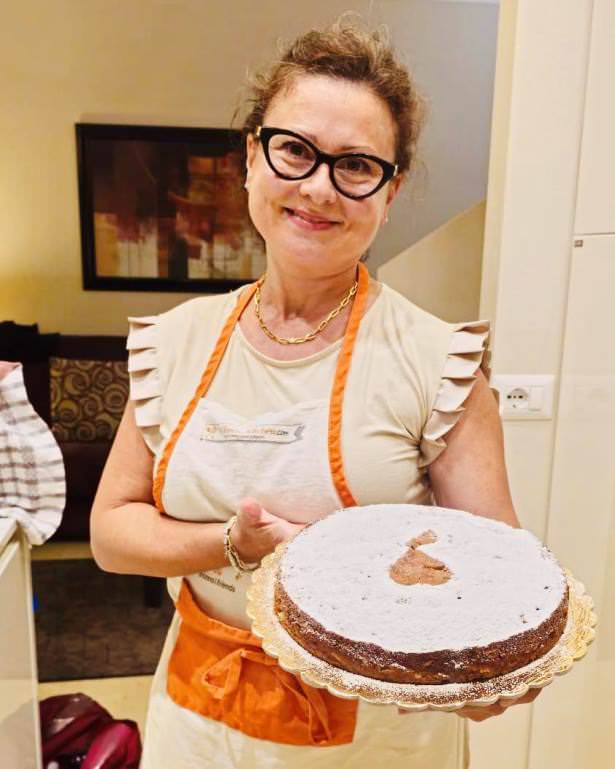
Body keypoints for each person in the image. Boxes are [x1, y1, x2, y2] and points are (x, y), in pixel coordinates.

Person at [91, 19, 538, 769]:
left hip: (375, 737)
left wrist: (493, 663)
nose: (318, 188)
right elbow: (110, 532)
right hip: (199, 717)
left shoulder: (438, 363)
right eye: (294, 150)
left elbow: (496, 580)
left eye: (356, 165)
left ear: (389, 192)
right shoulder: (172, 343)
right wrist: (231, 543)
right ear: (249, 158)